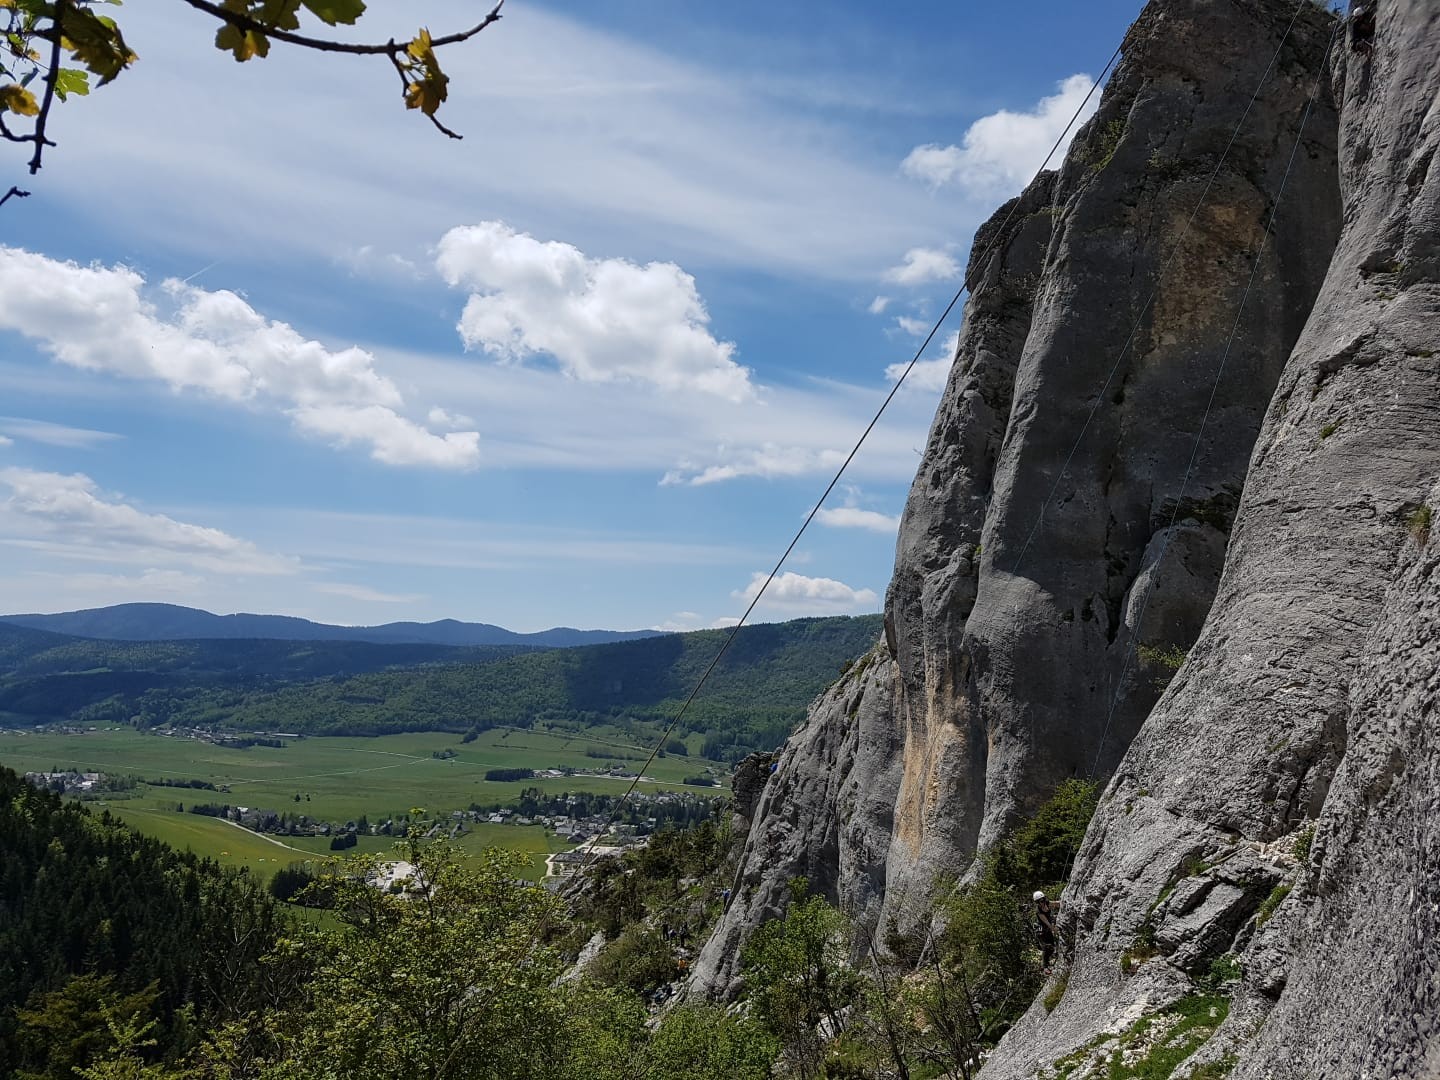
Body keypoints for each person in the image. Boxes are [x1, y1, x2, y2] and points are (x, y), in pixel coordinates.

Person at [1034, 890, 1059, 971]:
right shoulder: (1039, 911)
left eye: (1043, 899)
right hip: (1041, 931)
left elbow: (1056, 903)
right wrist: (1054, 929)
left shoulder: (1047, 903)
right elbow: (1047, 922)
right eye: (1040, 901)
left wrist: (1064, 902)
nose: (1043, 902)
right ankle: (1045, 967)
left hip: (1047, 930)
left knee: (1052, 947)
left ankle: (1048, 963)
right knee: (1047, 947)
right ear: (1037, 902)